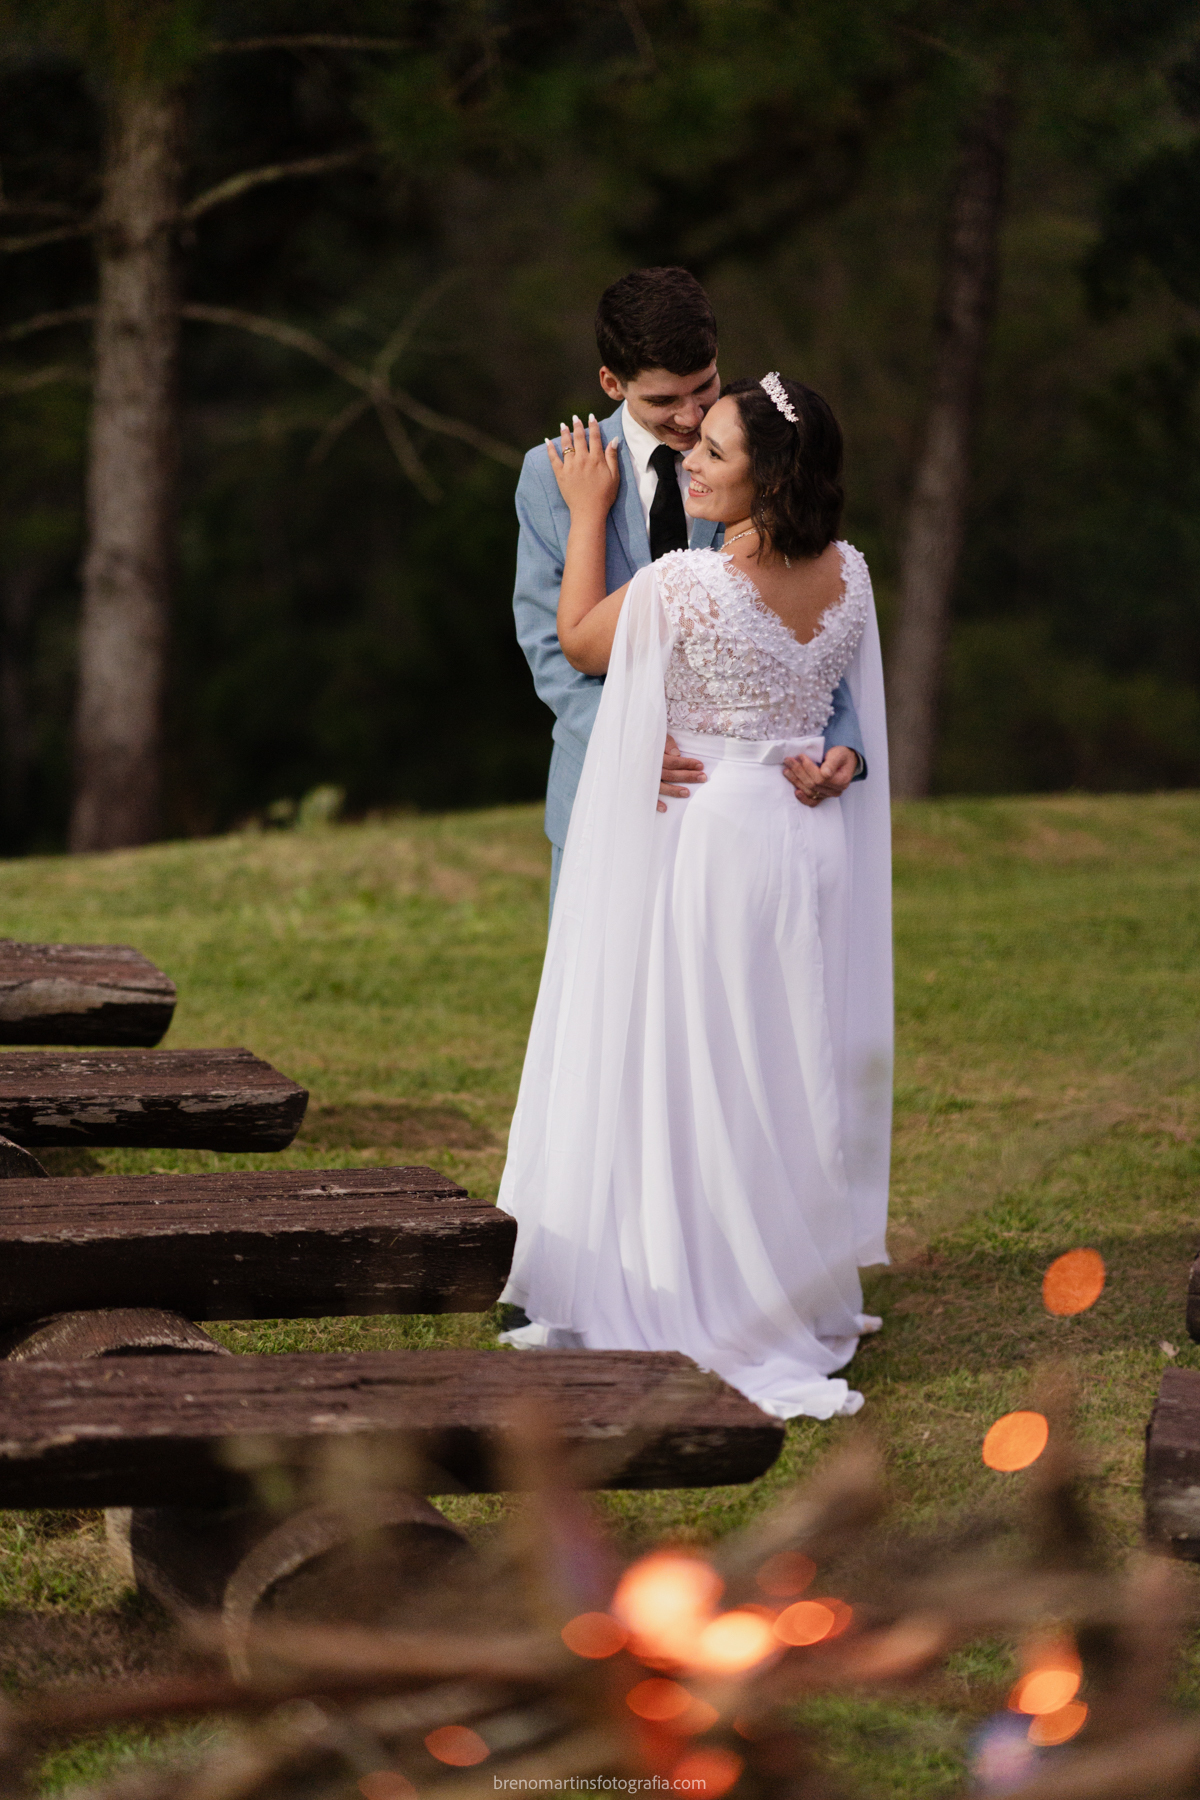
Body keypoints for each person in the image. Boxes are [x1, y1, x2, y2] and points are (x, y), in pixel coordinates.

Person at [498, 373, 892, 1421]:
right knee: (774, 1061)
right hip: (804, 840)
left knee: (691, 1065)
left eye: (714, 451)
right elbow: (838, 707)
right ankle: (776, 1276)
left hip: (713, 840)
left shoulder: (687, 583)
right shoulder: (849, 577)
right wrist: (841, 754)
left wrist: (587, 511)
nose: (689, 462)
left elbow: (579, 638)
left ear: (767, 478)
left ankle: (692, 1286)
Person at [512, 267, 867, 914]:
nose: (691, 416)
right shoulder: (552, 474)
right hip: (612, 786)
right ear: (612, 385)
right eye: (663, 401)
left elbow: (804, 620)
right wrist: (630, 741)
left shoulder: (762, 448)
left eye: (703, 388)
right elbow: (547, 645)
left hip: (743, 807)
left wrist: (845, 736)